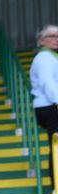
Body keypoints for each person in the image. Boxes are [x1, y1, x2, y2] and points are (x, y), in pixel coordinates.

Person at [30, 24, 58, 178]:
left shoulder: (52, 56)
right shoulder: (44, 57)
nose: (56, 39)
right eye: (52, 36)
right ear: (41, 40)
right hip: (50, 106)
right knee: (56, 146)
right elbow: (48, 83)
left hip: (52, 104)